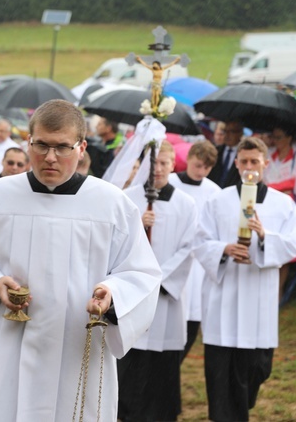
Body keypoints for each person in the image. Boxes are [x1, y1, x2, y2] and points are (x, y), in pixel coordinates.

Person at [0, 100, 162, 421]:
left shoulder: (111, 205)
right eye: (41, 145)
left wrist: (113, 294)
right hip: (6, 343)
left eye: (62, 147)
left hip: (77, 344)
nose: (50, 157)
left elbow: (140, 272)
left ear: (82, 147)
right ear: (28, 142)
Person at [194, 137, 296, 422]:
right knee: (221, 374)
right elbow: (200, 241)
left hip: (258, 297)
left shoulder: (283, 204)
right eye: (244, 162)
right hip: (224, 296)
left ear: (266, 163)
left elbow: (292, 245)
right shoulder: (218, 200)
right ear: (237, 163)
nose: (250, 167)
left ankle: (239, 406)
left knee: (257, 368)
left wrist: (265, 237)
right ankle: (226, 416)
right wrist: (224, 249)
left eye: (255, 161)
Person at [120, 141, 197, 422]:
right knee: (132, 357)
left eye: (164, 163)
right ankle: (127, 411)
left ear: (173, 165)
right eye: (153, 164)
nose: (158, 169)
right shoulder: (127, 199)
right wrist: (138, 226)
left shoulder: (186, 204)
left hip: (165, 295)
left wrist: (158, 280)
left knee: (161, 362)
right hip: (134, 294)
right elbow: (115, 242)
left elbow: (189, 247)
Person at [168, 140, 220, 361]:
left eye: (207, 168)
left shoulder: (214, 191)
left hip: (197, 263)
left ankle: (177, 361)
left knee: (193, 312)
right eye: (198, 165)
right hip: (171, 254)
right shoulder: (170, 183)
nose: (202, 171)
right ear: (188, 159)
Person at [262, 126, 296, 303]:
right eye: (273, 137)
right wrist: (279, 187)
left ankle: (278, 293)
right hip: (271, 206)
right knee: (269, 245)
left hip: (293, 207)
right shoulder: (269, 154)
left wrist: (271, 188)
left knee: (285, 251)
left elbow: (295, 182)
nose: (275, 141)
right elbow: (264, 178)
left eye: (279, 137)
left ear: (289, 138)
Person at [208, 120, 245, 188]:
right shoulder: (215, 151)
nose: (228, 135)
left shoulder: (244, 154)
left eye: (232, 132)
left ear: (240, 133)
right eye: (225, 131)